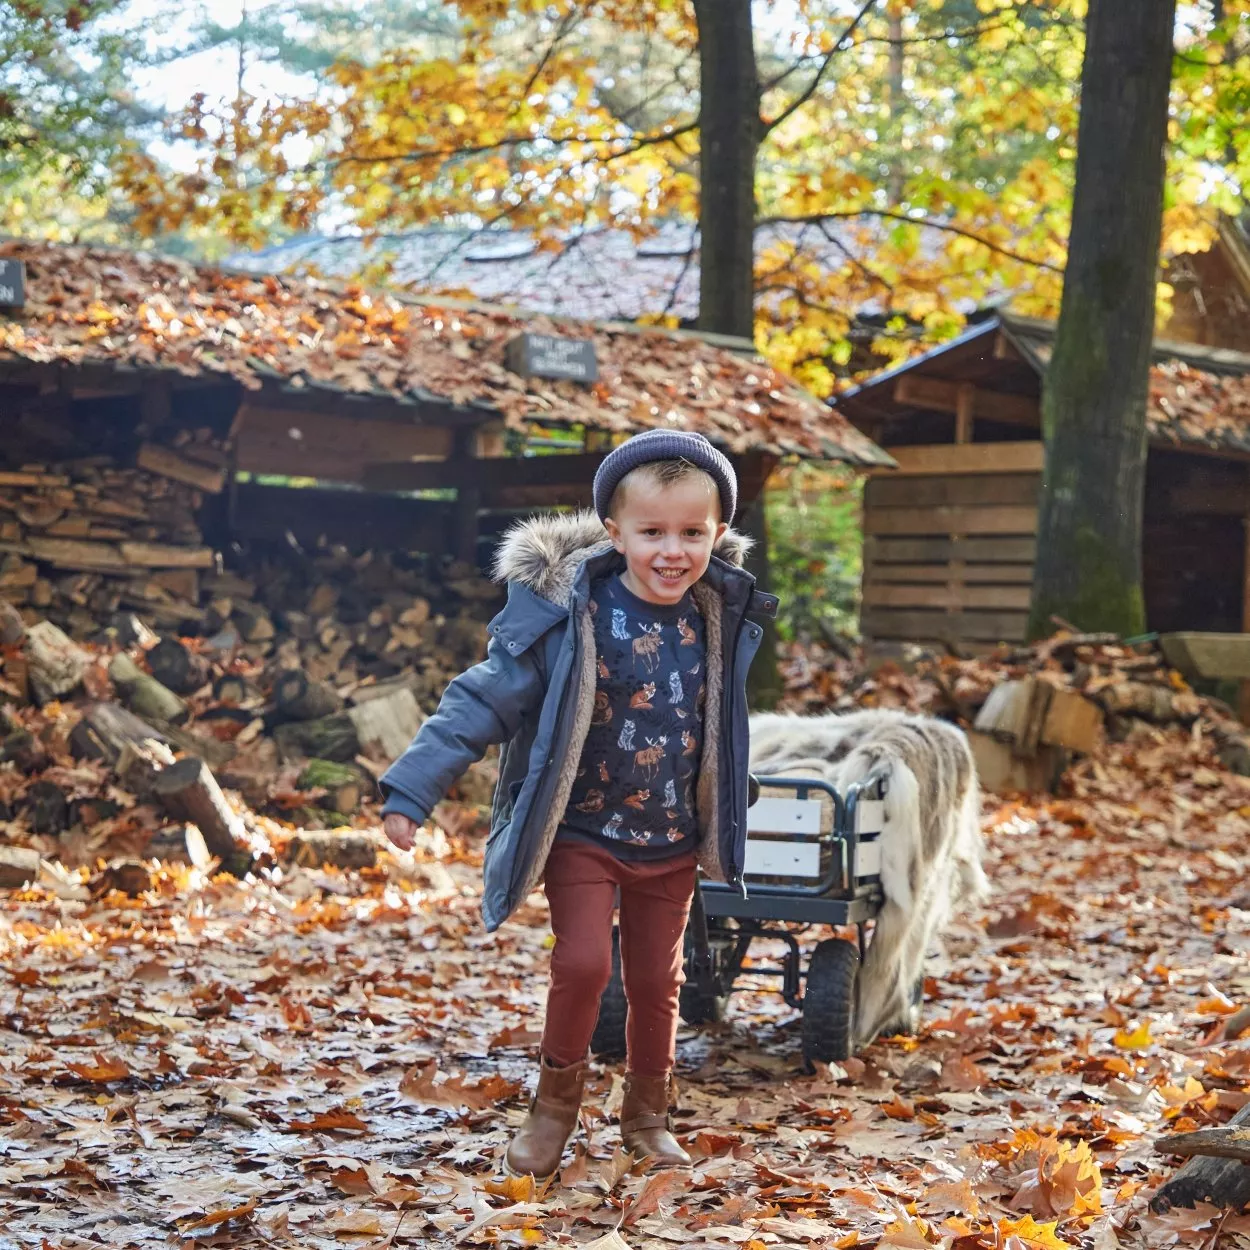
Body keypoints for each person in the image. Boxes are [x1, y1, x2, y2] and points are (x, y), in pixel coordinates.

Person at [379, 429, 776, 1179]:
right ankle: (555, 1105)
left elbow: (717, 725)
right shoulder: (569, 618)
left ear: (718, 534)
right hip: (585, 831)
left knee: (660, 981)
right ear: (613, 532)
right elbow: (483, 697)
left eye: (692, 533)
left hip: (672, 838)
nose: (672, 551)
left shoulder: (718, 615)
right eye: (652, 531)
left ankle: (648, 1115)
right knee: (589, 963)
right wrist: (413, 787)